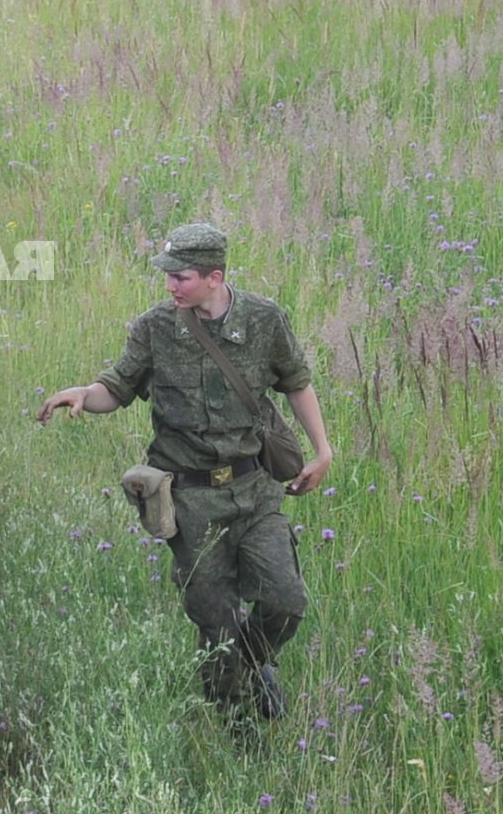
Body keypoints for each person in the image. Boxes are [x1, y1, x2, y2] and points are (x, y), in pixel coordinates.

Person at [37, 222, 334, 718]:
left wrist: (322, 451)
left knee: (285, 601)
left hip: (254, 490)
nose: (171, 285)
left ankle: (252, 664)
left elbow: (296, 383)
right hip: (191, 501)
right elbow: (118, 387)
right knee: (214, 621)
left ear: (215, 277)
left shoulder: (264, 320)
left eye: (183, 277)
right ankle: (238, 732)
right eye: (168, 276)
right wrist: (84, 396)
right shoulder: (156, 327)